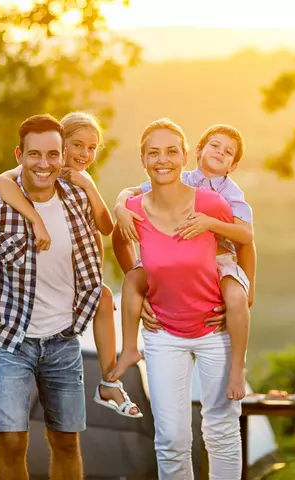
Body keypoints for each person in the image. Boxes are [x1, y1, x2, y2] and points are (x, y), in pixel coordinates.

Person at [0, 112, 141, 443]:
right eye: (77, 145)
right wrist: (35, 220)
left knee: (104, 298)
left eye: (92, 148)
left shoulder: (77, 185)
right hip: (0, 267)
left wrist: (92, 187)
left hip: (56, 287)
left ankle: (110, 383)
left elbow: (105, 228)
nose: (84, 155)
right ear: (61, 144)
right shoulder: (31, 169)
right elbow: (1, 183)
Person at [0, 114, 100, 479]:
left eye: (53, 155)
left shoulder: (77, 199)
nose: (44, 164)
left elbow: (101, 238)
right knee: (12, 443)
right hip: (9, 343)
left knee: (66, 442)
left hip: (63, 341)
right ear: (20, 155)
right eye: (35, 154)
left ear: (62, 157)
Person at [111, 118, 242, 478]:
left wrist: (245, 295)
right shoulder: (134, 210)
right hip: (163, 335)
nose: (162, 159)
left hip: (215, 332)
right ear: (143, 160)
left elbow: (245, 243)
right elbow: (119, 243)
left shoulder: (211, 203)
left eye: (171, 151)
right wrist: (138, 285)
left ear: (185, 157)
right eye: (153, 153)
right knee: (170, 438)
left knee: (221, 430)